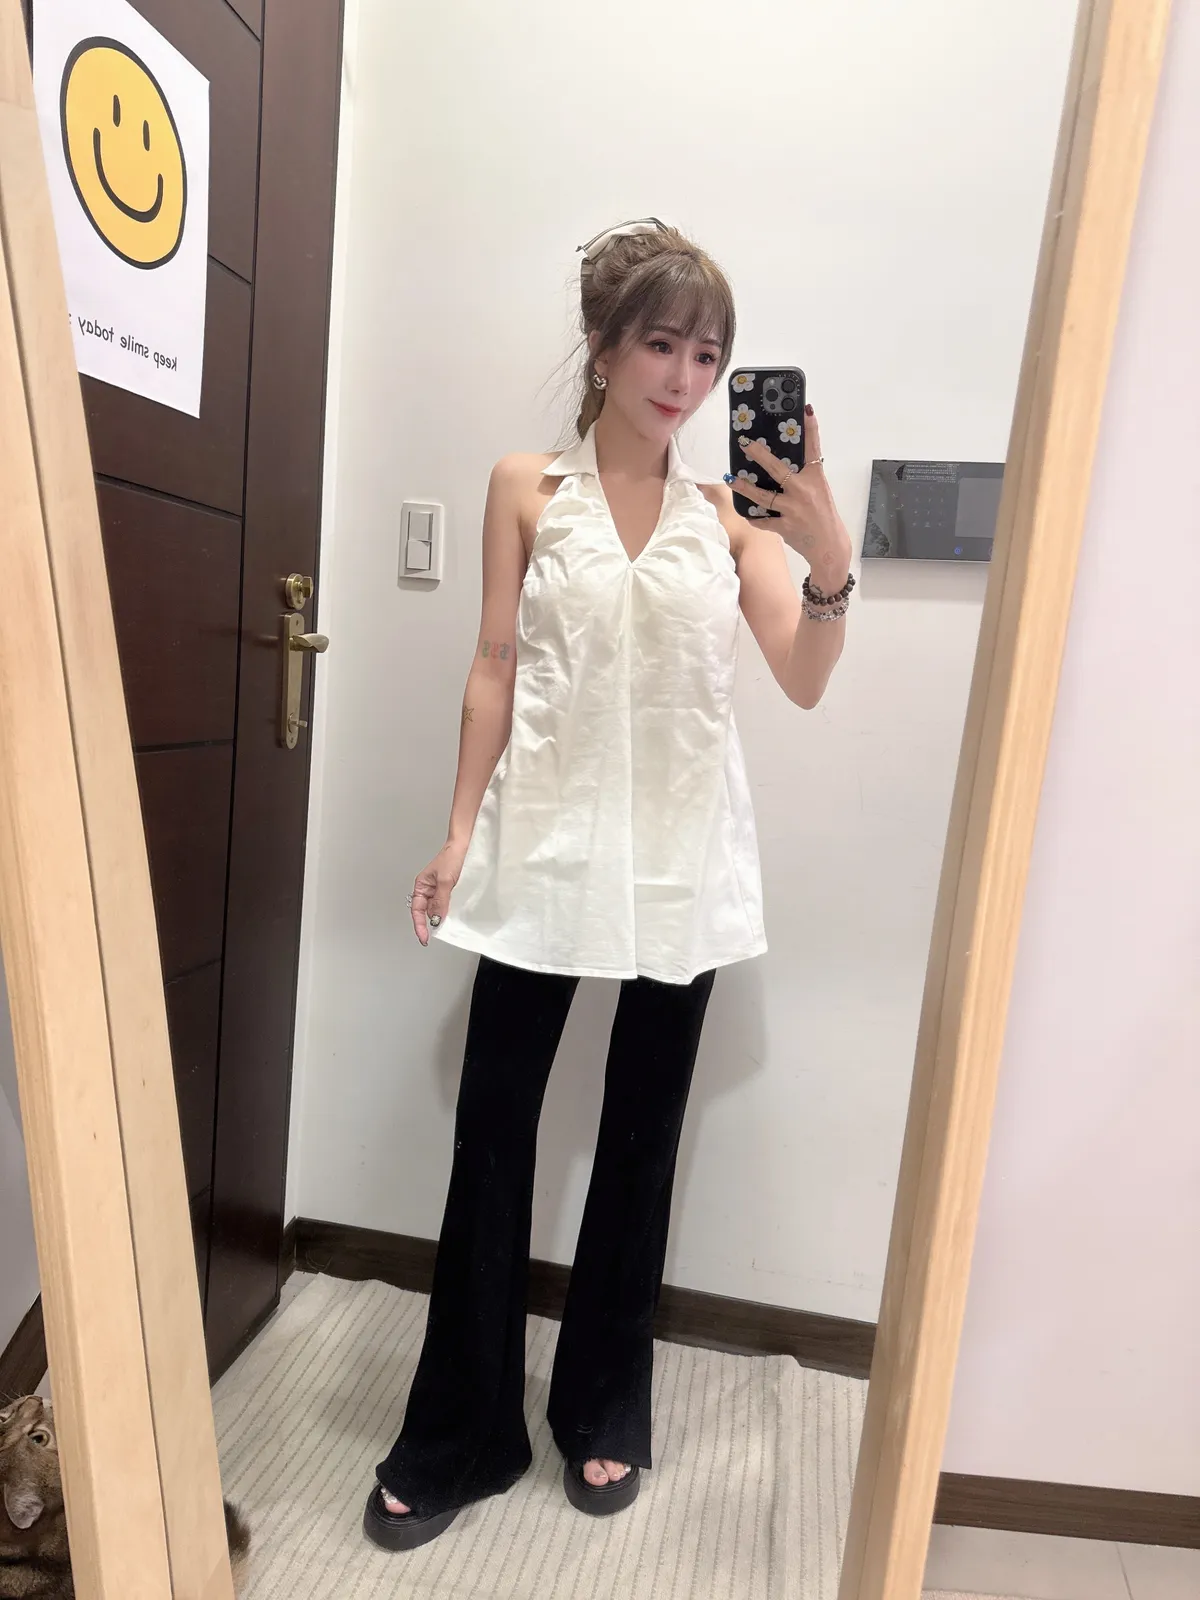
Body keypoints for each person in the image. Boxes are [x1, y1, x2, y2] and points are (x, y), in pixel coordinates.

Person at [363, 218, 853, 1553]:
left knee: (642, 1140)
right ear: (602, 346)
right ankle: (461, 1429)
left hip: (683, 862)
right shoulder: (528, 487)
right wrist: (457, 833)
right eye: (662, 344)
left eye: (708, 354)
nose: (686, 378)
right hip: (543, 845)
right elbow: (493, 666)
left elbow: (802, 677)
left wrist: (826, 560)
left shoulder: (731, 516)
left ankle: (603, 1406)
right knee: (493, 1130)